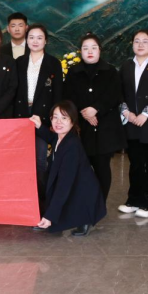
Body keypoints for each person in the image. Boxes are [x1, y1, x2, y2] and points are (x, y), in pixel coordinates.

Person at [63, 32, 126, 202]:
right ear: (80, 51)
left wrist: (96, 109)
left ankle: (100, 204)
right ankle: (84, 204)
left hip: (105, 127)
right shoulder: (73, 72)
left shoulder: (111, 71)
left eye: (93, 48)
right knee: (81, 168)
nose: (89, 51)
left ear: (100, 50)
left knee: (102, 167)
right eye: (85, 48)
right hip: (81, 127)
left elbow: (114, 95)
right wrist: (85, 112)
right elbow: (68, 96)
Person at [30, 100, 107, 236]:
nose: (58, 122)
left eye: (64, 118)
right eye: (55, 117)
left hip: (83, 193)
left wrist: (50, 216)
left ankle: (85, 219)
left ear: (72, 121)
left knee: (62, 200)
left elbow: (64, 185)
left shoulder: (72, 146)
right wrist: (39, 125)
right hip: (72, 186)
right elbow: (51, 137)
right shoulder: (61, 137)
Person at [118, 30, 148, 219]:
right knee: (136, 164)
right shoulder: (126, 66)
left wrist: (146, 114)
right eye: (137, 41)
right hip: (131, 122)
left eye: (145, 41)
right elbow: (119, 92)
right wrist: (126, 112)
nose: (140, 45)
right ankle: (133, 200)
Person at [14, 24, 63, 211]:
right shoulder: (19, 62)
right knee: (20, 160)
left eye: (39, 37)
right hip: (20, 117)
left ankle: (41, 202)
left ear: (46, 41)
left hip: (41, 118)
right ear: (26, 40)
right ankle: (22, 198)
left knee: (40, 160)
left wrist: (52, 120)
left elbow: (57, 95)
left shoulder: (53, 63)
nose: (35, 41)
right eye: (31, 37)